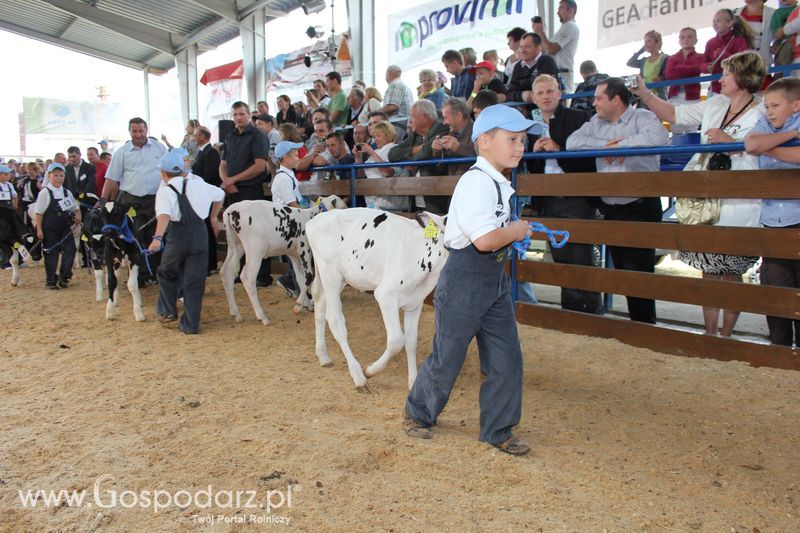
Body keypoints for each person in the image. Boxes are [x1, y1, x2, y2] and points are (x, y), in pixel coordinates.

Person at [403, 104, 534, 456]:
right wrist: (516, 230)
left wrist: (513, 233)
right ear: (485, 142)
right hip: (466, 276)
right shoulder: (477, 183)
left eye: (523, 139)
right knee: (448, 355)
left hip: (494, 277)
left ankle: (499, 430)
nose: (521, 146)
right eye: (512, 139)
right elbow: (485, 240)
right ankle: (418, 413)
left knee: (507, 357)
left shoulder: (498, 182)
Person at [632, 51, 766, 336]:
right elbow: (675, 114)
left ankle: (727, 334)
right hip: (705, 195)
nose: (721, 78)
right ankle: (709, 332)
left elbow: (765, 148)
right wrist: (644, 93)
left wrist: (734, 143)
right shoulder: (714, 104)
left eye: (727, 73)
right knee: (709, 268)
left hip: (740, 199)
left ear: (743, 77)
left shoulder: (763, 110)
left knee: (731, 271)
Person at [567, 77, 669, 324]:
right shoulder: (595, 122)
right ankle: (637, 327)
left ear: (616, 99)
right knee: (623, 271)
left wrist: (621, 146)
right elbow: (572, 143)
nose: (594, 103)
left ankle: (645, 327)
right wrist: (606, 146)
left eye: (599, 98)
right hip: (611, 207)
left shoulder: (642, 117)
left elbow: (660, 137)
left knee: (638, 273)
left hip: (640, 205)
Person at [528, 74, 602, 315]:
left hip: (576, 196)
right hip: (549, 198)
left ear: (560, 93)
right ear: (534, 99)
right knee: (561, 258)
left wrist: (559, 150)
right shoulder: (533, 127)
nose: (546, 96)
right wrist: (534, 153)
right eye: (541, 93)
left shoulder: (579, 118)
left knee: (581, 259)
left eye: (550, 91)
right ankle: (569, 314)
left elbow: (589, 158)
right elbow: (533, 168)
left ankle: (592, 314)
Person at [744, 77, 800, 346]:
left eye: (775, 105)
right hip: (773, 222)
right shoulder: (766, 124)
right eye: (767, 106)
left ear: (796, 105)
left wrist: (771, 146)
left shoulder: (770, 128)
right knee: (775, 291)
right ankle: (778, 353)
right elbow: (752, 145)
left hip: (798, 220)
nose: (769, 112)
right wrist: (790, 138)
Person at [148, 150, 224, 334]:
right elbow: (220, 194)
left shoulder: (165, 191)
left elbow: (164, 216)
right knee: (194, 282)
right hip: (200, 235)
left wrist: (157, 238)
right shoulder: (199, 184)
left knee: (166, 271)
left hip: (178, 237)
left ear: (163, 174)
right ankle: (190, 325)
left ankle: (167, 311)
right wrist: (213, 218)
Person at [103, 117, 167, 283]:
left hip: (156, 200)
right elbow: (111, 179)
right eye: (134, 131)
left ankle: (155, 273)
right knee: (135, 236)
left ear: (146, 130)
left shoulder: (160, 148)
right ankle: (138, 275)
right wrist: (103, 199)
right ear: (130, 132)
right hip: (131, 202)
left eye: (141, 131)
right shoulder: (122, 152)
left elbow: (170, 172)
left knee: (157, 236)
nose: (138, 134)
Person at [220, 101, 272, 287]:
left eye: (241, 114)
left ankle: (262, 276)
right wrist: (227, 181)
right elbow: (223, 164)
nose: (238, 117)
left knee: (256, 233)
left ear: (249, 115)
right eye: (235, 114)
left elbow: (260, 166)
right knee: (238, 234)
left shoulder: (258, 135)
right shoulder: (230, 137)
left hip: (250, 190)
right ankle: (243, 272)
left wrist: (233, 180)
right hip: (233, 191)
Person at [387, 100, 450, 213]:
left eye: (413, 116)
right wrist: (415, 149)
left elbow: (428, 151)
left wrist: (411, 161)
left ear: (424, 117)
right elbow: (392, 154)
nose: (410, 120)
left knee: (435, 230)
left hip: (436, 197)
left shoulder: (442, 128)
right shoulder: (414, 136)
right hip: (416, 199)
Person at [34, 163, 80, 290]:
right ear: (49, 176)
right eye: (55, 175)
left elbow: (75, 208)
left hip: (65, 226)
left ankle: (64, 276)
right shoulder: (45, 192)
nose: (59, 178)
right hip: (49, 227)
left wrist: (78, 217)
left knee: (71, 250)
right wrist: (39, 229)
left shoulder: (67, 192)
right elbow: (39, 213)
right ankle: (50, 281)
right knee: (51, 254)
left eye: (61, 175)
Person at [270, 141, 306, 299]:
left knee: (297, 257)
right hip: (287, 222)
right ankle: (299, 289)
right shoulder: (283, 179)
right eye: (295, 155)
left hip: (291, 220)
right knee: (297, 257)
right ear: (285, 157)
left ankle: (289, 282)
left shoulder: (288, 176)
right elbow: (293, 204)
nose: (299, 158)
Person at [354, 121, 408, 212]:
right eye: (374, 137)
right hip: (372, 201)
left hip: (390, 203)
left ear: (388, 135)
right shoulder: (376, 151)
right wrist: (357, 158)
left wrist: (372, 152)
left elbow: (387, 172)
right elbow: (361, 174)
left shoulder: (394, 149)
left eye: (379, 136)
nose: (376, 140)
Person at [191, 126, 222, 274]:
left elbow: (211, 176)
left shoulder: (211, 152)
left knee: (208, 228)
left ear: (203, 137)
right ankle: (208, 263)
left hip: (207, 195)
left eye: (196, 135)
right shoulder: (203, 152)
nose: (193, 137)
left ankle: (211, 263)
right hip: (202, 195)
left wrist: (197, 182)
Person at [532, 0, 580, 91]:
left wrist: (540, 32)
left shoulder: (570, 26)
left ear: (571, 10)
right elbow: (547, 50)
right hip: (556, 73)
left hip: (562, 74)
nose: (557, 13)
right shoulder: (565, 28)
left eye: (561, 8)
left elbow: (551, 49)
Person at [702, 9, 753, 95]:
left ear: (729, 23)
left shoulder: (739, 40)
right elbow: (702, 64)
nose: (715, 24)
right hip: (716, 88)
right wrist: (706, 67)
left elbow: (743, 62)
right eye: (713, 21)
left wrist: (724, 55)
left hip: (735, 87)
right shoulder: (710, 43)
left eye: (718, 21)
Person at [506, 32, 559, 103]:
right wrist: (522, 95)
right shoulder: (518, 66)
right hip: (525, 112)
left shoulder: (546, 61)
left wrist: (521, 90)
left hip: (546, 110)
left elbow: (543, 89)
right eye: (521, 47)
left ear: (538, 48)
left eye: (527, 47)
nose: (522, 50)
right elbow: (509, 94)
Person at [433, 96, 475, 177]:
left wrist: (459, 148)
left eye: (445, 118)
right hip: (453, 183)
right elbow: (440, 168)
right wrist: (437, 151)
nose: (444, 123)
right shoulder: (450, 133)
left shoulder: (478, 132)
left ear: (458, 116)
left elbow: (484, 159)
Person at [626, 30, 669, 104]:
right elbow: (630, 63)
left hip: (659, 97)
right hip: (644, 98)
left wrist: (661, 78)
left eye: (649, 41)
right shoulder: (644, 61)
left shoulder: (665, 58)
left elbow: (668, 74)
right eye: (645, 42)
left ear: (657, 42)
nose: (646, 44)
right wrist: (641, 51)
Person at [665, 27, 705, 105]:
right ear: (679, 41)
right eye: (682, 37)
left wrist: (677, 68)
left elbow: (697, 70)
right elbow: (669, 75)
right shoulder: (672, 58)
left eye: (689, 36)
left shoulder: (701, 56)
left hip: (693, 96)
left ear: (696, 40)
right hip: (674, 97)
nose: (686, 39)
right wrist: (690, 70)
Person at [734, 0, 775, 68]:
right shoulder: (734, 13)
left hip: (763, 65)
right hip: (738, 65)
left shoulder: (773, 13)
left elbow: (779, 36)